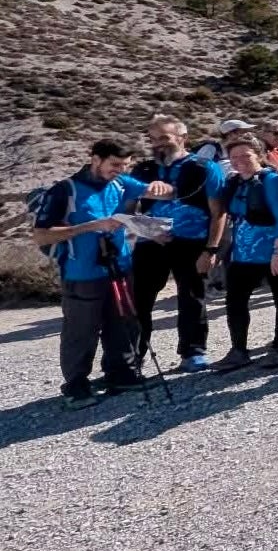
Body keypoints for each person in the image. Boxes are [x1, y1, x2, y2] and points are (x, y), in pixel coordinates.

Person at [32, 139, 175, 409]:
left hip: (119, 265)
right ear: (95, 159)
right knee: (81, 330)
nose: (119, 170)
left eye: (124, 165)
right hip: (82, 271)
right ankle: (76, 386)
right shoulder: (65, 191)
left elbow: (164, 194)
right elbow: (40, 235)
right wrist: (93, 225)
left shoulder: (121, 183)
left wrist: (161, 187)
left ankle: (121, 374)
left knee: (124, 322)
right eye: (114, 165)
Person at [127, 115, 223, 372]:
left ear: (182, 138)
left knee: (192, 297)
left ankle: (193, 352)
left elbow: (218, 212)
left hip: (192, 241)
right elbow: (127, 209)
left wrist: (211, 249)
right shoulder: (142, 170)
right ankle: (132, 358)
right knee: (139, 299)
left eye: (165, 138)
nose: (158, 144)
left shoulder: (204, 167)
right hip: (151, 242)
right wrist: (146, 232)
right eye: (153, 139)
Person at [201, 135, 278, 371]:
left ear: (259, 155)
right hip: (243, 254)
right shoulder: (234, 182)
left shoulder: (272, 181)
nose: (239, 160)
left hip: (273, 251)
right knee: (235, 300)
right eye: (234, 156)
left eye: (246, 155)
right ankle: (239, 350)